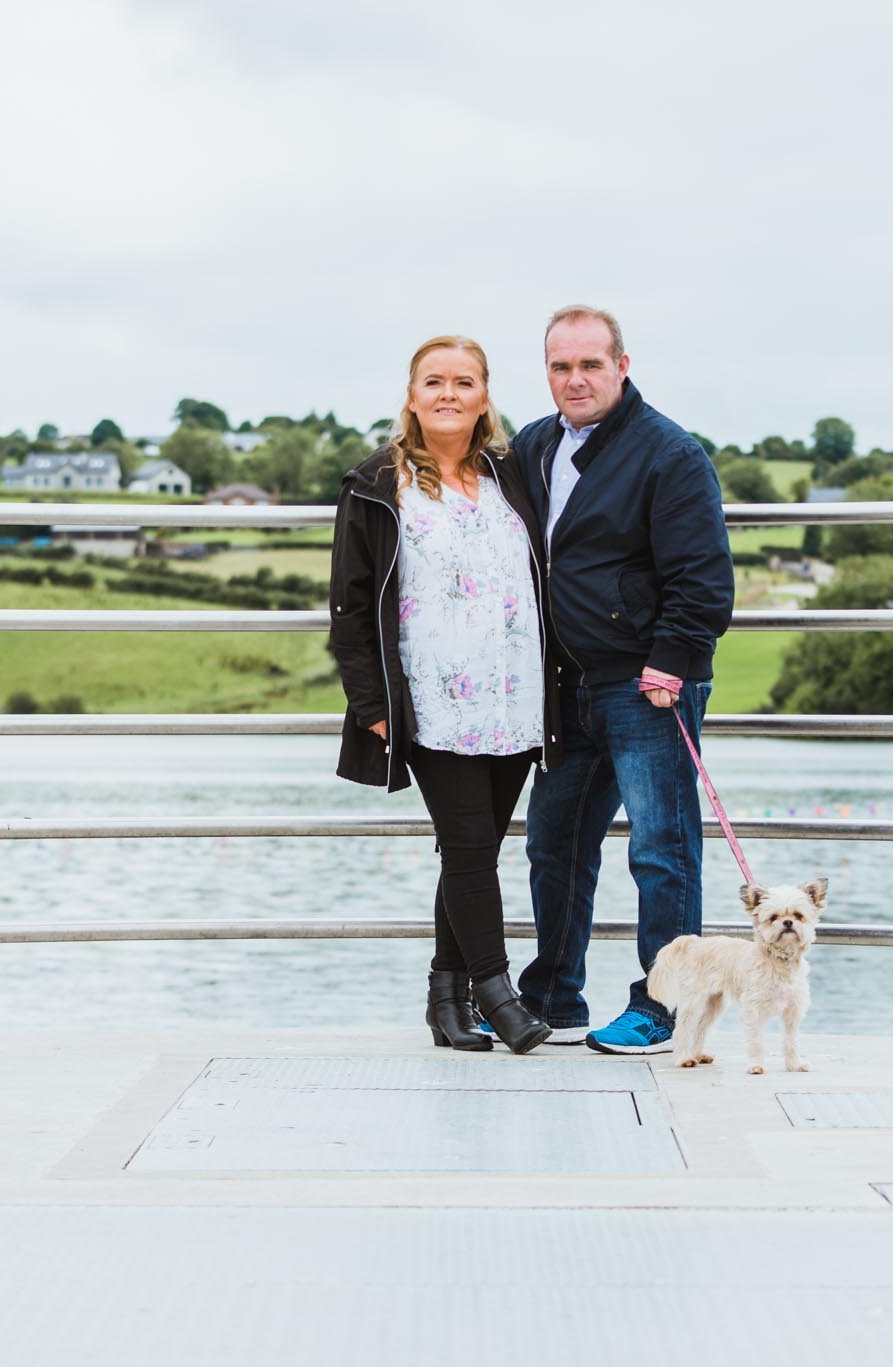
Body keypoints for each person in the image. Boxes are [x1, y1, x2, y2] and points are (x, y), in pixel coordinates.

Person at [513, 306, 734, 1054]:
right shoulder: (535, 445)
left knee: (662, 849)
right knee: (555, 843)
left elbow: (703, 579)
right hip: (566, 686)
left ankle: (662, 1006)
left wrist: (669, 661)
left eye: (589, 365)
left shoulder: (670, 454)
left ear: (622, 365)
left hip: (647, 684)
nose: (574, 379)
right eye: (559, 366)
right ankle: (550, 996)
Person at [329, 334, 557, 1054]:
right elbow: (350, 603)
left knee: (477, 847)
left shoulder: (510, 475)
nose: (449, 393)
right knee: (467, 851)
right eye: (435, 381)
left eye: (464, 381)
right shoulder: (375, 484)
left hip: (515, 696)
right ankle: (496, 990)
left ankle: (444, 997)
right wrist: (371, 704)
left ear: (485, 396)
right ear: (412, 396)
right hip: (431, 699)